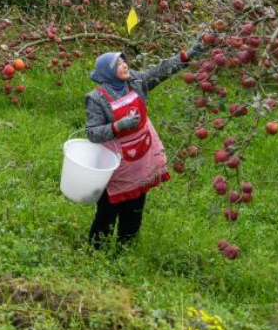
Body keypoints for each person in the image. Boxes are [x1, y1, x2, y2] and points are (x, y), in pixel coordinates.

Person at [84, 38, 205, 250]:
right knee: (108, 207)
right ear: (107, 72)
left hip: (140, 157)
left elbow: (161, 71)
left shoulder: (136, 82)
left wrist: (187, 56)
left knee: (135, 206)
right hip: (116, 163)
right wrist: (118, 126)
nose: (124, 66)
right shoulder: (97, 98)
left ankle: (125, 249)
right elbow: (92, 133)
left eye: (124, 62)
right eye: (118, 64)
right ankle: (96, 250)